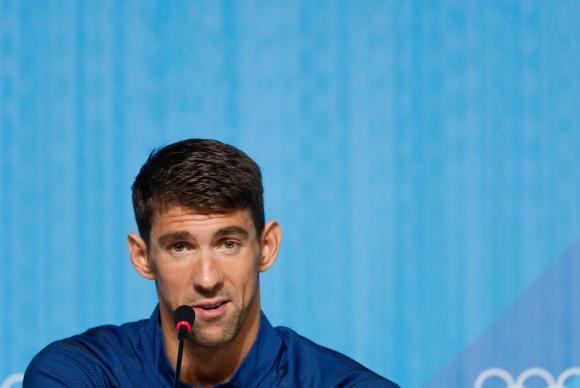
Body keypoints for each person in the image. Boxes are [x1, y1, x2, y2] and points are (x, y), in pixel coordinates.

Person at [24, 139, 399, 387]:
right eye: (180, 248)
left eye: (228, 243)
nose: (207, 279)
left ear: (266, 247)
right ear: (143, 257)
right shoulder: (79, 374)